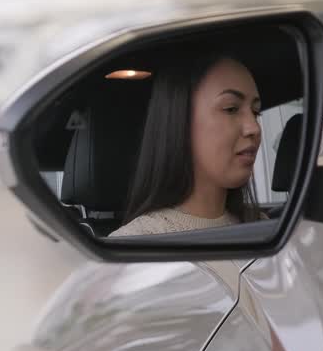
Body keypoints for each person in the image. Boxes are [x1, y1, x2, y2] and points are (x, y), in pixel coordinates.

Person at [110, 53, 264, 237]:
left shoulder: (264, 227)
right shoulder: (136, 241)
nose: (253, 128)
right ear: (179, 120)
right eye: (231, 109)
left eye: (256, 112)